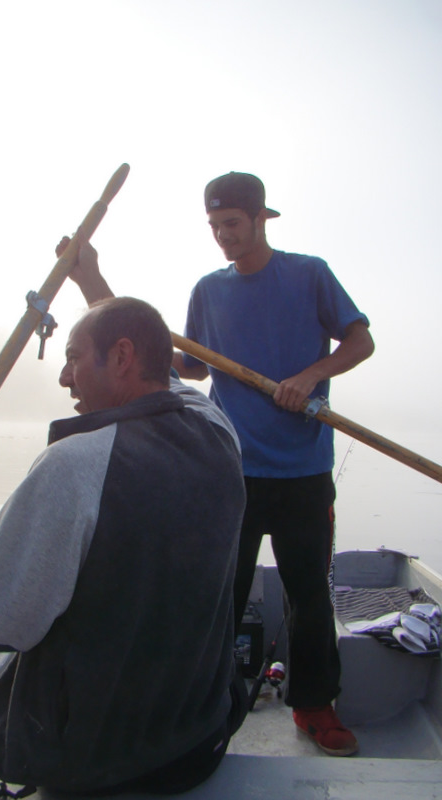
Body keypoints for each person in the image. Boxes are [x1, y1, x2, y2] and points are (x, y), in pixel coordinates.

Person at [0, 289, 247, 794]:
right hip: (200, 744)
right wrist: (90, 278)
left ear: (124, 357)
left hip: (99, 768)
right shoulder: (218, 430)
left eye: (73, 358)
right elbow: (162, 373)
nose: (65, 378)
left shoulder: (73, 467)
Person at [172, 172, 375, 757]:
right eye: (214, 227)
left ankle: (314, 706)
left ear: (263, 219)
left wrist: (311, 375)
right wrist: (160, 350)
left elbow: (360, 342)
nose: (223, 237)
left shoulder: (309, 274)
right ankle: (206, 704)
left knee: (309, 593)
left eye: (232, 224)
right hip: (228, 469)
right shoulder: (208, 291)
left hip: (303, 471)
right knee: (221, 593)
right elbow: (194, 369)